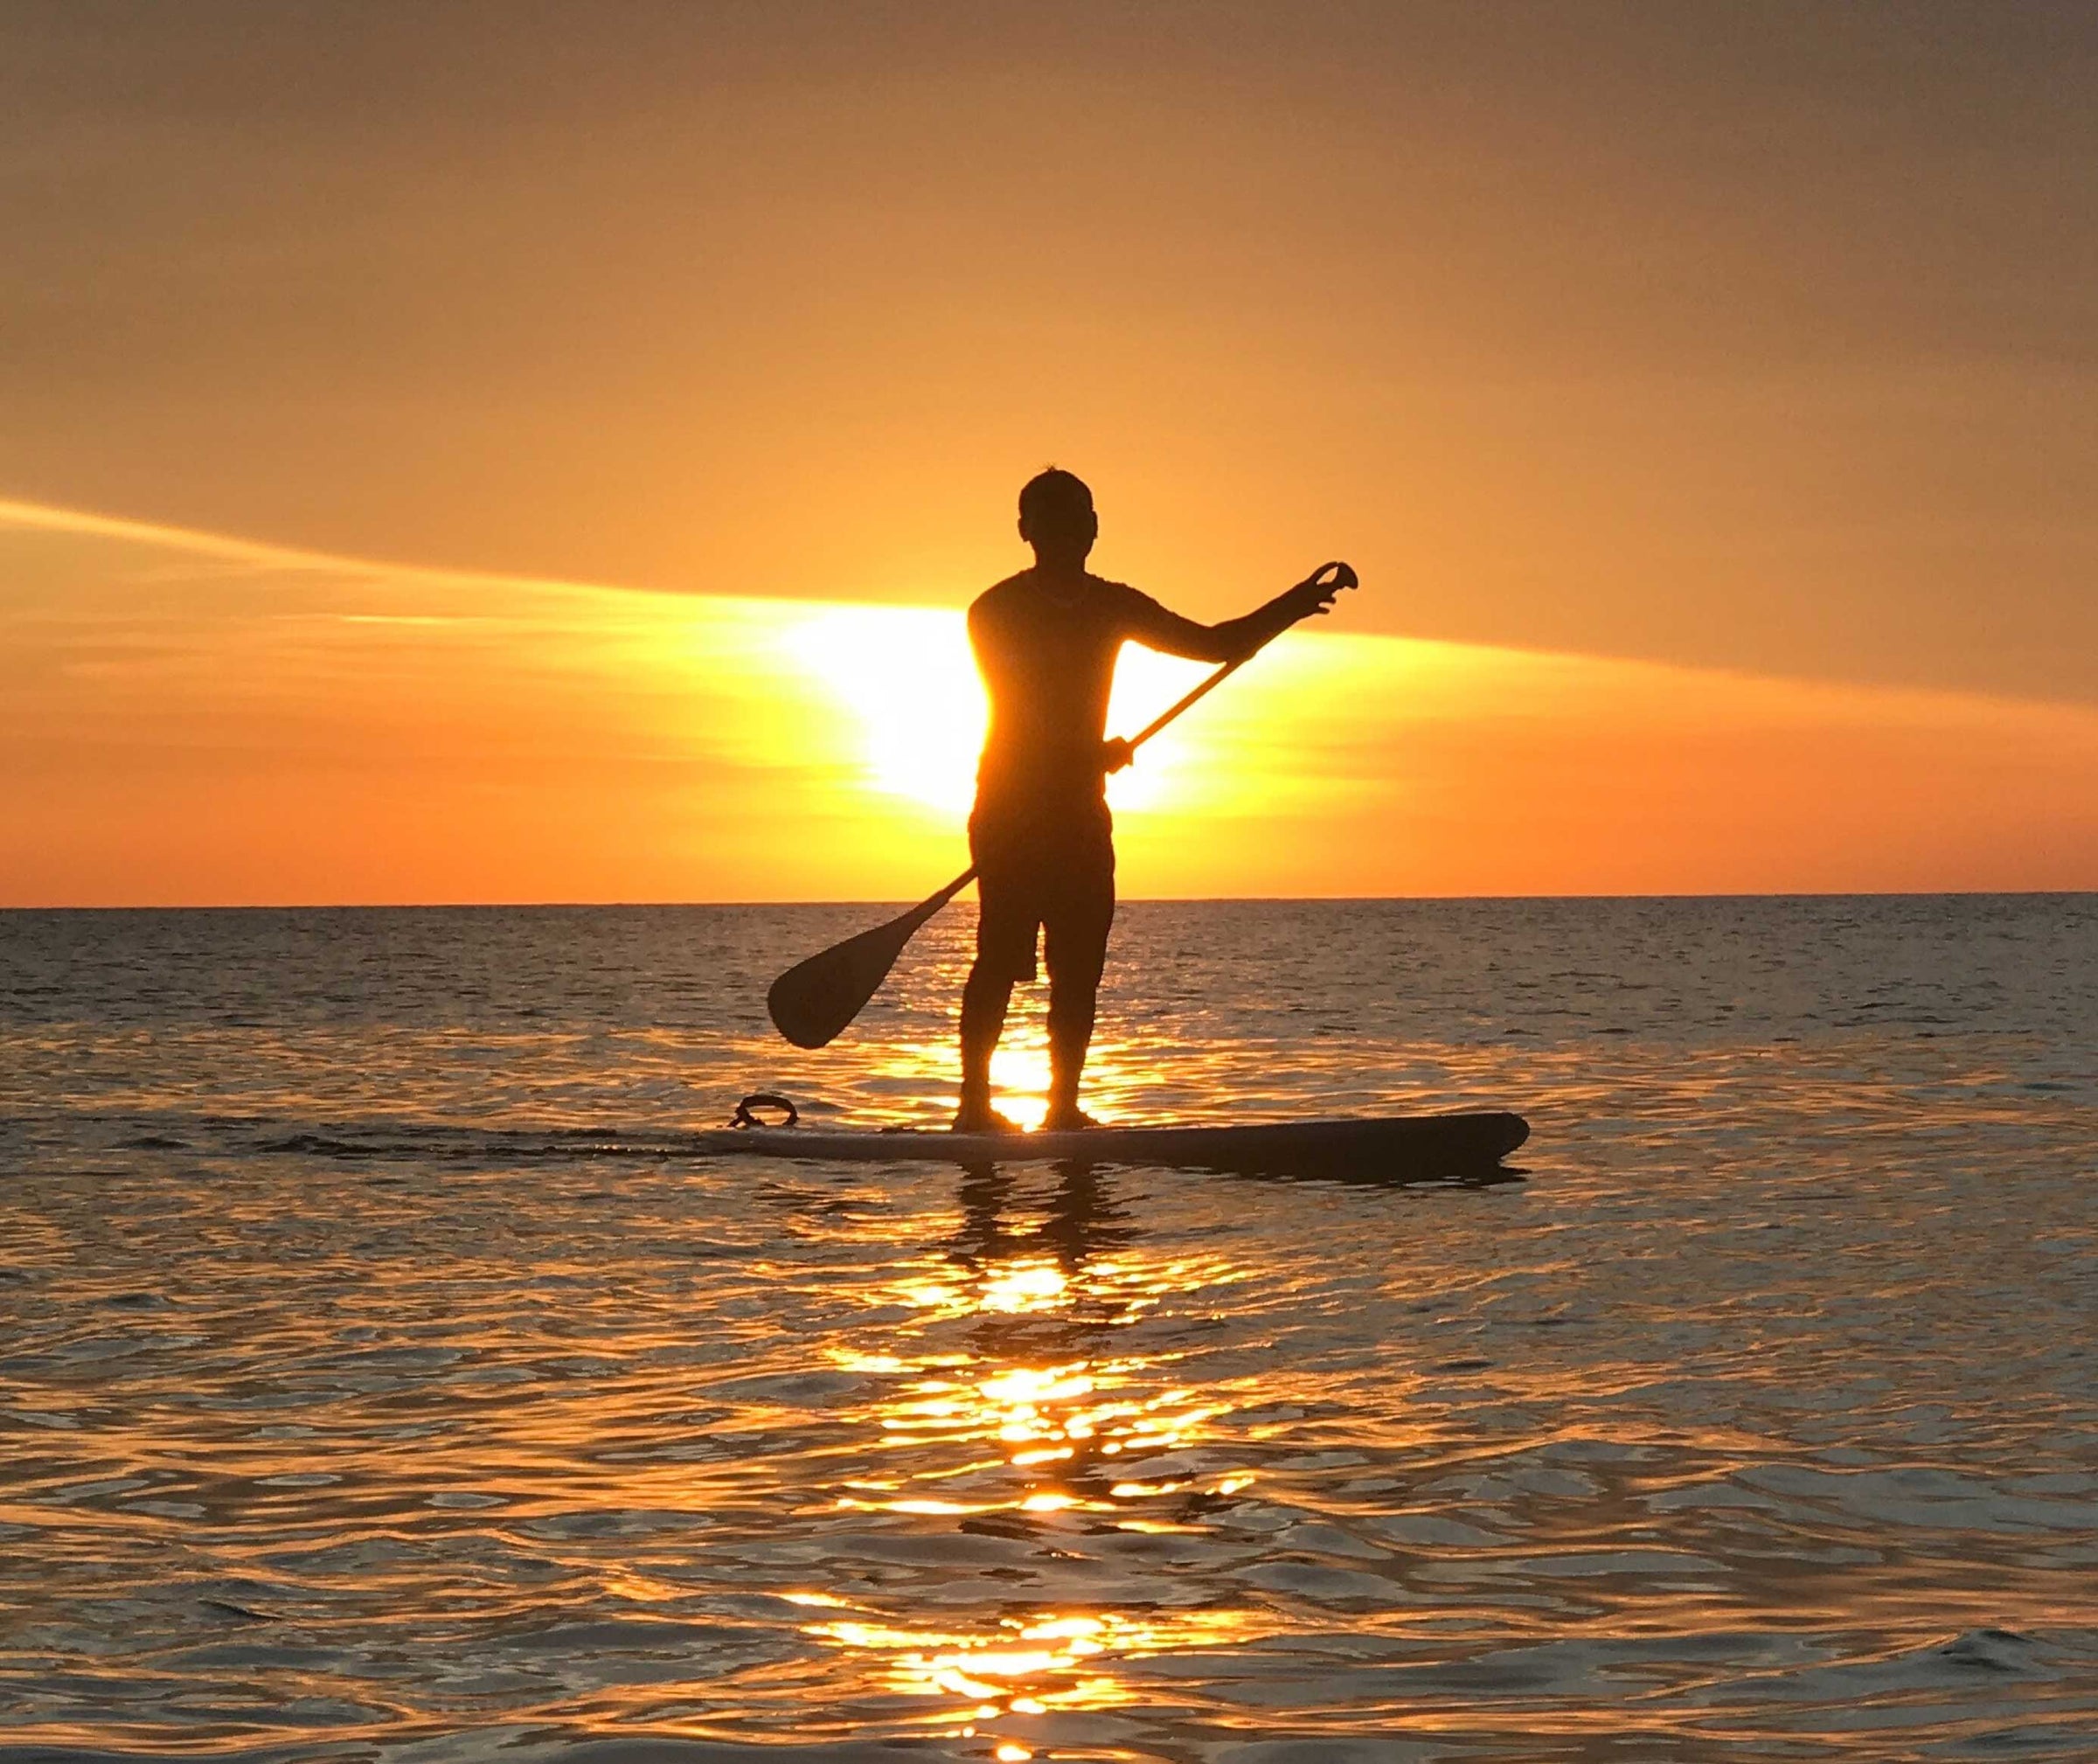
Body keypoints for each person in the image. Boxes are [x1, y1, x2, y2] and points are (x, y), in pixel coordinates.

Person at [957, 468, 1344, 1132]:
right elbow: (1019, 717)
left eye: (1081, 515)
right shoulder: (994, 612)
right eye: (1053, 518)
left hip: (1080, 816)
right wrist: (1089, 755)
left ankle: (1062, 1111)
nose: (1071, 529)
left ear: (1095, 528)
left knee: (1078, 969)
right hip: (1011, 812)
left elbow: (1217, 645)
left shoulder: (1114, 605)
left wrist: (1292, 605)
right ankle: (974, 1108)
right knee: (1001, 958)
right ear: (1026, 531)